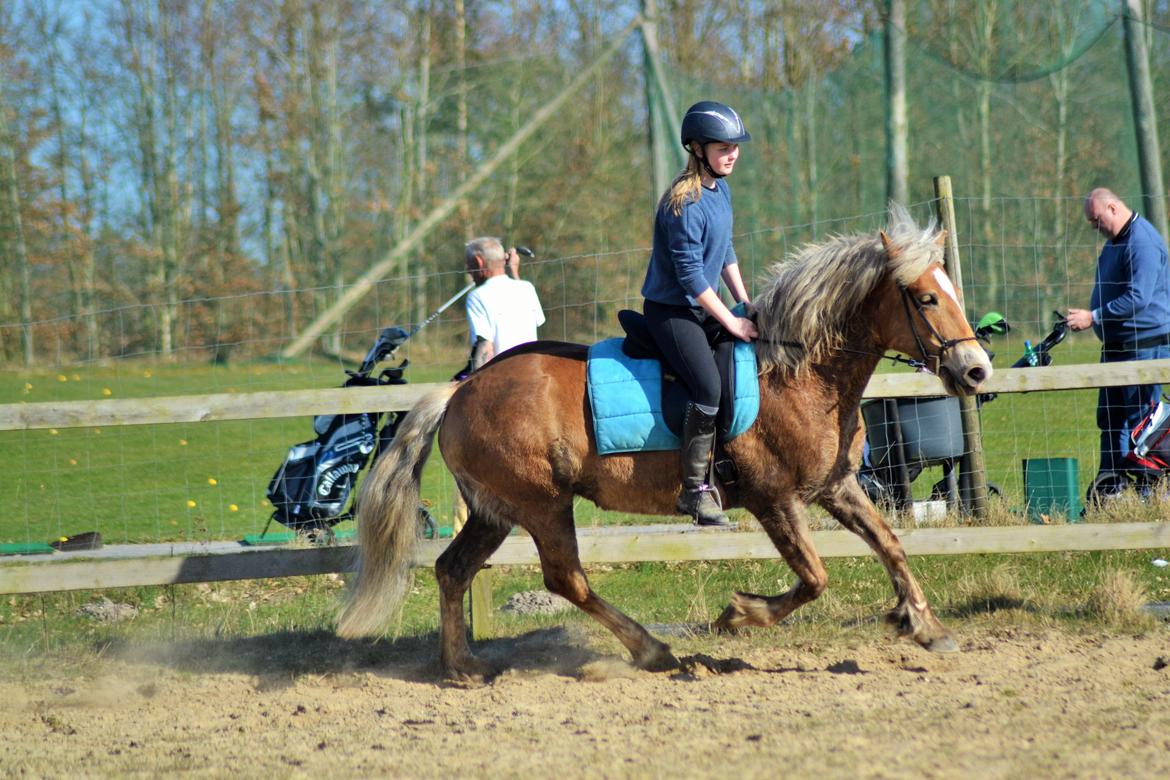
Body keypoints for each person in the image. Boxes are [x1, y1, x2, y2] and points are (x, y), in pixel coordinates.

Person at [640, 100, 759, 527]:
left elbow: (725, 250)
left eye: (736, 146)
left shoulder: (720, 189)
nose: (733, 154)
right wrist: (730, 320)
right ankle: (694, 492)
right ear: (697, 148)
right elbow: (690, 276)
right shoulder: (683, 202)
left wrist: (746, 304)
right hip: (672, 312)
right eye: (724, 147)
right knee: (707, 387)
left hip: (705, 306)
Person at [1066, 187, 1170, 490]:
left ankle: (1147, 491)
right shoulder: (1115, 241)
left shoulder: (1142, 242)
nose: (1096, 229)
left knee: (1143, 424)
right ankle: (1110, 487)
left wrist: (1093, 317)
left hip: (1144, 347)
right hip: (1115, 348)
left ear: (1113, 207)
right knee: (1110, 420)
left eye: (1097, 221)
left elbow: (1138, 298)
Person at [462, 236, 545, 372]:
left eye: (469, 264)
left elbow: (485, 346)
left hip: (502, 374)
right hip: (532, 371)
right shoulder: (526, 288)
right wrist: (514, 271)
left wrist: (474, 382)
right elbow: (538, 321)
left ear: (479, 261)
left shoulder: (477, 296)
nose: (468, 270)